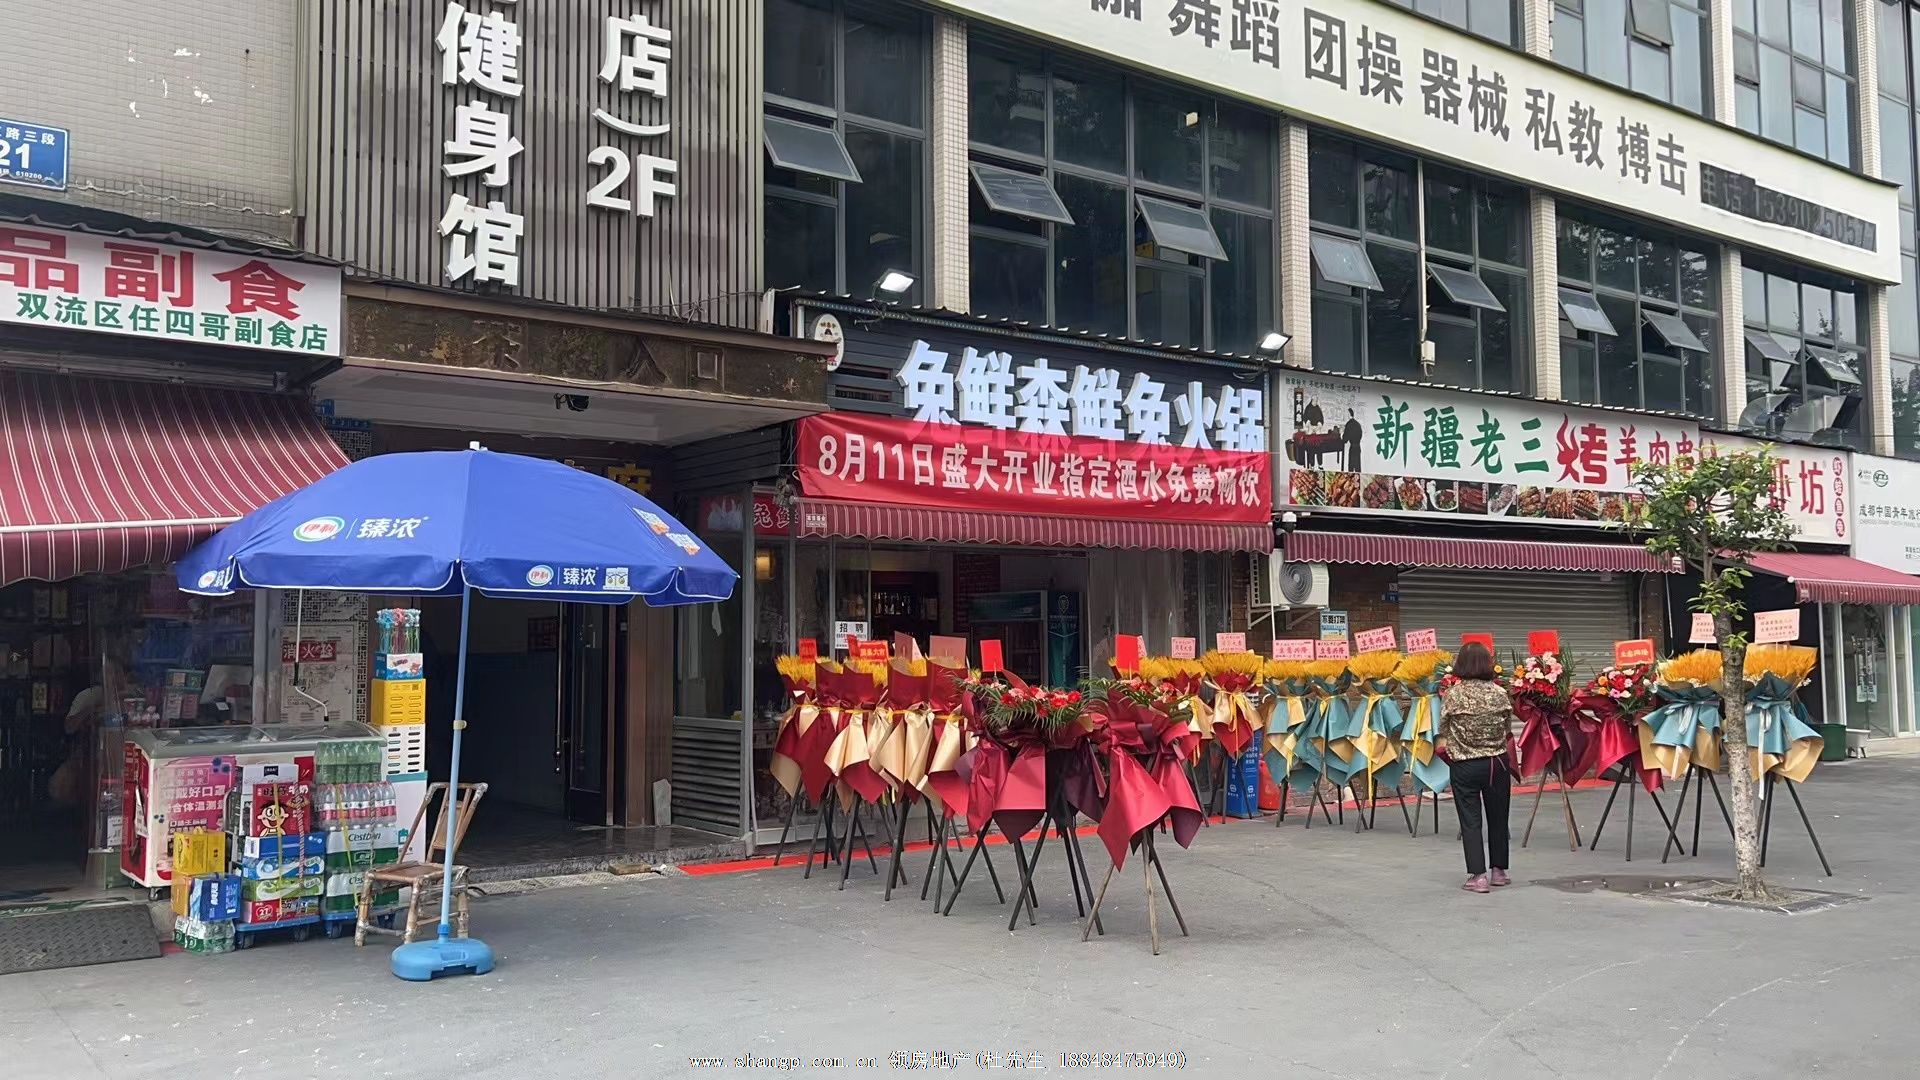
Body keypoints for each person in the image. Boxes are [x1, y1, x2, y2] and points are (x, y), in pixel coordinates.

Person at [1439, 642, 1515, 893]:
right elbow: (1507, 729)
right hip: (1497, 763)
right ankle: (1499, 871)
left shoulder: (1453, 694)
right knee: (1499, 816)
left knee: (1470, 820)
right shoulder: (1499, 693)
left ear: (1460, 664)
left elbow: (1443, 728)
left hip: (1465, 764)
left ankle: (1478, 876)